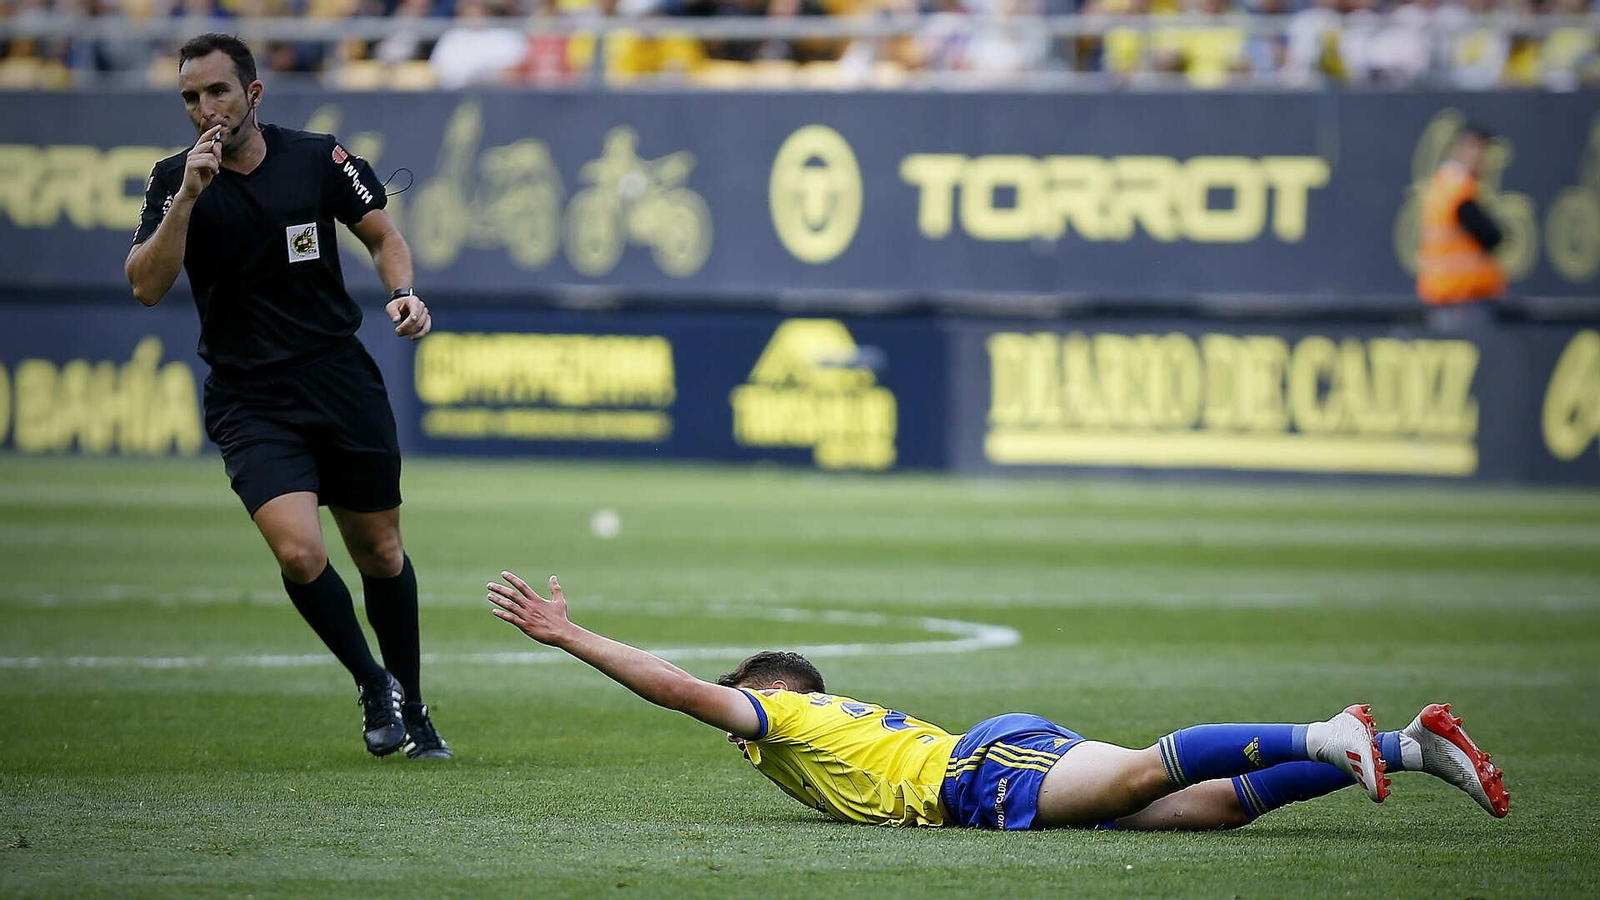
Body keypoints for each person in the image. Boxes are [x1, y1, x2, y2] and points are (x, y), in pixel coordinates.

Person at [487, 572, 1510, 829]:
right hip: (990, 757)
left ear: (766, 692)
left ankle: (1323, 731)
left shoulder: (786, 715)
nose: (727, 712)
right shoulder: (814, 727)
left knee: (1147, 773)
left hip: (979, 773)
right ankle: (1412, 749)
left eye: (737, 693)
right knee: (1200, 808)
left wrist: (568, 633)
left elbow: (675, 691)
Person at [125, 33, 450, 760]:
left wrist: (403, 294)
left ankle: (415, 704)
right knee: (301, 553)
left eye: (217, 92)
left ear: (253, 95)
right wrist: (186, 198)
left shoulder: (317, 158)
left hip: (339, 379)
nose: (203, 108)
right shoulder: (173, 180)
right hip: (250, 397)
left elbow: (383, 234)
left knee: (381, 550)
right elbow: (146, 285)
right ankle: (373, 684)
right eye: (189, 97)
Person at [1416, 123, 1507, 332]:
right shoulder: (1458, 190)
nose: (1481, 158)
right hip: (1463, 299)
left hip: (1446, 296)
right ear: (1459, 149)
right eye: (1476, 149)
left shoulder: (1442, 185)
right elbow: (1490, 236)